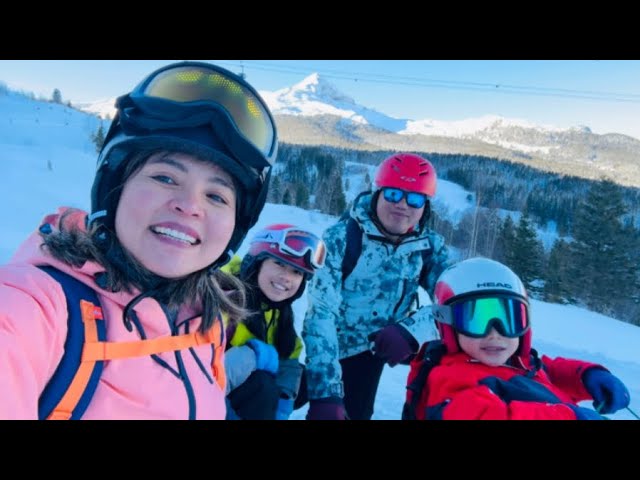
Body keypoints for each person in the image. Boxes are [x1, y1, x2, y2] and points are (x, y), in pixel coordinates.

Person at [0, 61, 278, 419]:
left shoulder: (205, 319)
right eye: (164, 177)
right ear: (115, 188)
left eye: (217, 197)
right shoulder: (38, 309)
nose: (189, 206)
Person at [302, 153, 452, 420]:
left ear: (425, 206)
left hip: (372, 351)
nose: (403, 205)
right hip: (326, 346)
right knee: (277, 395)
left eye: (415, 198)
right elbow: (320, 313)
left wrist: (411, 330)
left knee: (355, 413)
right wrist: (325, 393)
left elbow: (457, 304)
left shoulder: (429, 247)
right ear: (377, 193)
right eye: (394, 194)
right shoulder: (340, 239)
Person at [419, 257, 630, 420]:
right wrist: (569, 416)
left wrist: (586, 377)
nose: (495, 333)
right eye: (476, 319)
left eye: (510, 320)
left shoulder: (516, 362)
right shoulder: (452, 378)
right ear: (448, 326)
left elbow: (544, 371)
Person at [222, 224, 326, 420]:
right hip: (205, 396)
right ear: (256, 263)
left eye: (297, 272)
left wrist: (283, 404)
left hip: (235, 392)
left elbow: (290, 360)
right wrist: (253, 357)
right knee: (262, 385)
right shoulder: (224, 298)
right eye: (279, 264)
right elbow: (195, 377)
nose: (287, 278)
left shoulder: (277, 313)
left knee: (305, 378)